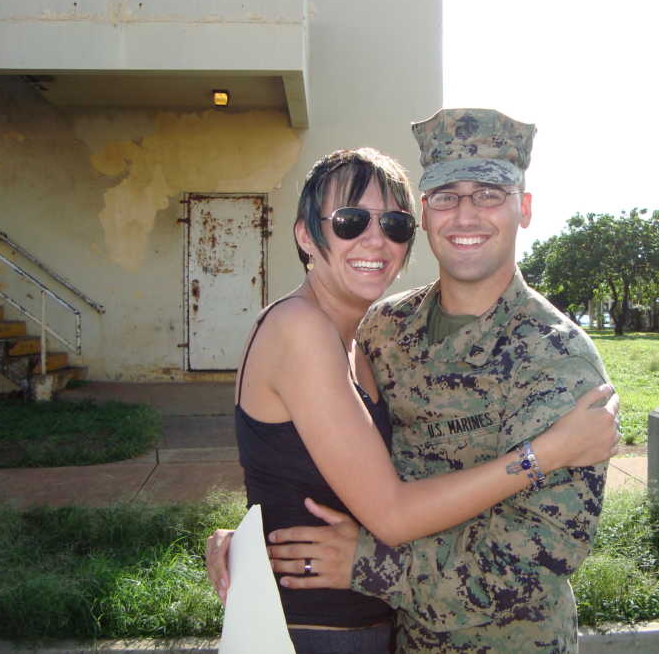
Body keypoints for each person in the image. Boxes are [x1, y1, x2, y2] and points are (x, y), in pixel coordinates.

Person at [206, 145, 620, 654]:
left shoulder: (554, 356)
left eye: (393, 225)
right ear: (305, 234)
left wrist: (259, 530)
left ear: (524, 209)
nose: (374, 240)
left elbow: (541, 551)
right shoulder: (356, 329)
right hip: (326, 629)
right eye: (350, 220)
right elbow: (389, 511)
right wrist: (545, 455)